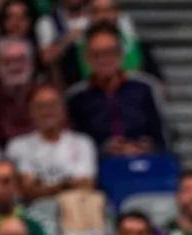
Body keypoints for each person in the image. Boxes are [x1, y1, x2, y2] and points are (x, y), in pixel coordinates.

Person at [65, 22, 166, 156]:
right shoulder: (76, 97)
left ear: (120, 53)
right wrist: (104, 149)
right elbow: (74, 145)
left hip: (146, 162)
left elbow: (163, 135)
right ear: (86, 58)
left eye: (109, 52)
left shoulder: (145, 87)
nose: (104, 59)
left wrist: (148, 146)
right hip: (99, 169)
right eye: (97, 54)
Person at [6, 83, 99, 202]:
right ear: (30, 111)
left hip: (76, 207)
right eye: (40, 106)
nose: (47, 111)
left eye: (52, 105)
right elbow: (26, 190)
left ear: (63, 109)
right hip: (35, 210)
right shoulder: (18, 146)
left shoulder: (83, 143)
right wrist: (67, 184)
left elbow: (86, 185)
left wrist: (42, 184)